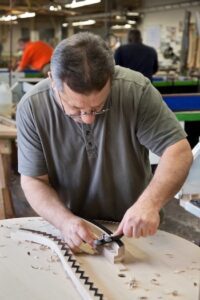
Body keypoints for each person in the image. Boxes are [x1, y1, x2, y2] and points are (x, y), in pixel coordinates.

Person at [16, 32, 192, 252]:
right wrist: (64, 221)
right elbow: (33, 180)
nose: (88, 118)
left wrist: (150, 203)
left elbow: (177, 150)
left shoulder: (135, 90)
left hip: (134, 228)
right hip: (71, 229)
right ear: (53, 81)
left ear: (112, 78)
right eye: (76, 110)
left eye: (98, 107)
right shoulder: (32, 108)